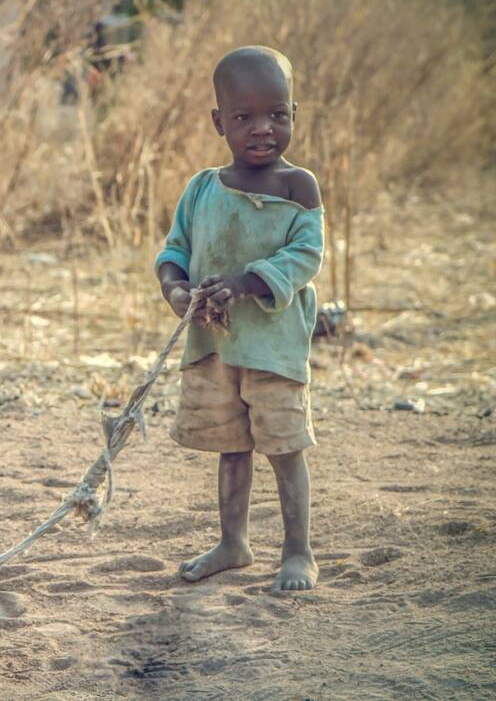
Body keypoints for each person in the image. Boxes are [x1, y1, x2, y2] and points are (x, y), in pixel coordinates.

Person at [155, 46, 324, 591]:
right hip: (216, 347)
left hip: (273, 348)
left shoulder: (299, 186)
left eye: (278, 114)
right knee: (232, 447)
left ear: (295, 113)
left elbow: (306, 256)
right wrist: (178, 293)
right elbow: (174, 250)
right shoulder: (202, 188)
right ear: (218, 122)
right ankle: (234, 542)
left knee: (284, 447)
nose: (262, 129)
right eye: (243, 117)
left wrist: (247, 283)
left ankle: (298, 552)